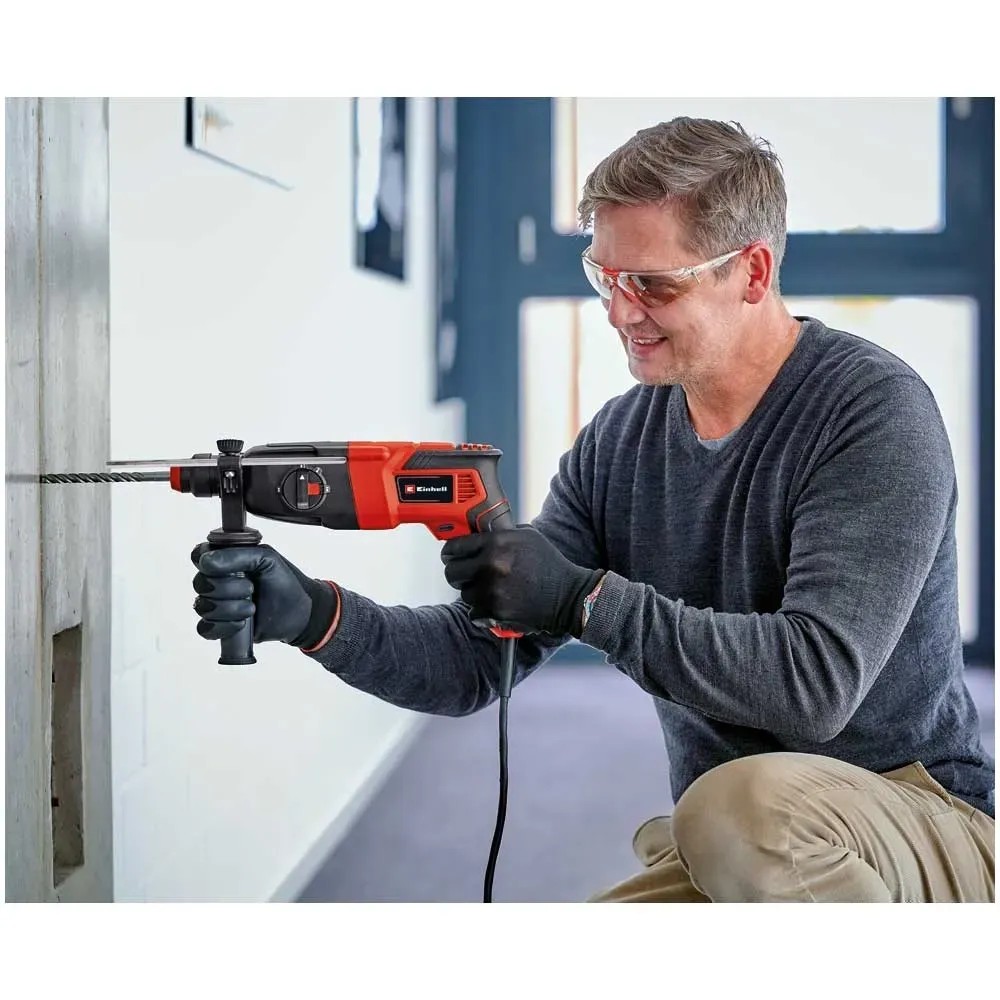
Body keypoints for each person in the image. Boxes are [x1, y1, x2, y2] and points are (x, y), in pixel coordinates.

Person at [191, 117, 995, 902]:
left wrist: (584, 599)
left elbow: (814, 687)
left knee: (737, 810)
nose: (618, 312)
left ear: (752, 273)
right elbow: (476, 661)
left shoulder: (872, 413)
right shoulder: (620, 442)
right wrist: (315, 615)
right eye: (605, 277)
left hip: (916, 818)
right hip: (738, 843)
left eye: (653, 284)